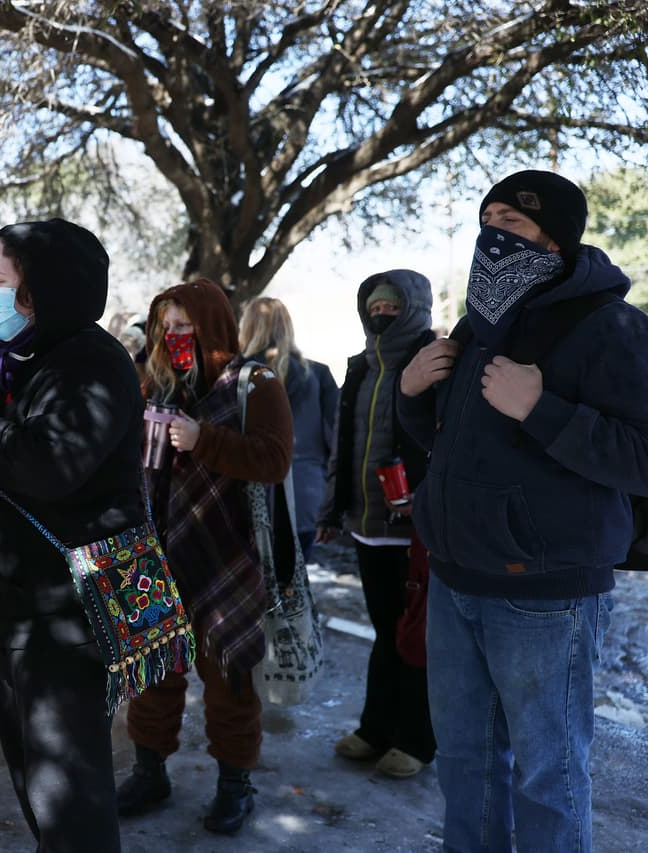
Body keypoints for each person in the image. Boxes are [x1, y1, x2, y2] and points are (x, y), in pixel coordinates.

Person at [398, 170, 647, 851]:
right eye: (489, 220)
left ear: (557, 240)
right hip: (456, 582)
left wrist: (542, 408)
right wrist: (412, 393)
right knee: (465, 769)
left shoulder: (610, 325)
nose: (494, 236)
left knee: (549, 778)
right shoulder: (477, 327)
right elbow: (453, 446)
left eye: (513, 223)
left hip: (545, 596)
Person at [0, 219, 142, 853]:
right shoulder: (12, 360)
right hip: (14, 609)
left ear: (42, 291)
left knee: (69, 799)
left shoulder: (90, 364)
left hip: (65, 618)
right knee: (37, 788)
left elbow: (46, 465)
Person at [113, 279, 293, 836]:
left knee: (230, 677)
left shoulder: (255, 382)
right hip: (150, 548)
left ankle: (234, 785)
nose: (174, 335)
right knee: (150, 673)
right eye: (166, 326)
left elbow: (275, 459)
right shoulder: (149, 380)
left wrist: (203, 440)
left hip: (225, 553)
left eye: (185, 325)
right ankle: (150, 772)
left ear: (212, 324)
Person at [315, 270, 437, 779]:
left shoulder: (435, 362)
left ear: (413, 308)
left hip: (416, 532)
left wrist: (427, 503)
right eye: (375, 305)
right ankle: (375, 729)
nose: (381, 313)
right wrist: (330, 510)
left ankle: (416, 740)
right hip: (367, 525)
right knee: (385, 632)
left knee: (416, 637)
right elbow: (343, 444)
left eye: (392, 306)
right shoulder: (360, 369)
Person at [238, 296, 338, 560]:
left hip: (246, 500)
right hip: (304, 497)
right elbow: (335, 440)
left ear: (247, 327)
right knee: (293, 589)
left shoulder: (235, 375)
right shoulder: (318, 375)